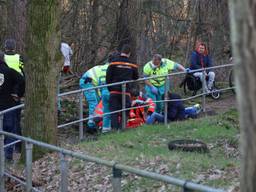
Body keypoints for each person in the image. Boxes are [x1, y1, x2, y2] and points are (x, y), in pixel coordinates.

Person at [106, 44, 139, 130]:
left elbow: (108, 77)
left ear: (121, 52)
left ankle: (114, 130)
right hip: (126, 92)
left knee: (114, 112)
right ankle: (122, 128)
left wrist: (110, 89)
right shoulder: (132, 64)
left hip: (114, 91)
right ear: (129, 53)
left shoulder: (113, 62)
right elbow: (136, 77)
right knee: (125, 111)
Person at [0, 51, 25, 161]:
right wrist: (19, 94)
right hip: (8, 105)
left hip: (6, 104)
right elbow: (22, 80)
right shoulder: (9, 71)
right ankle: (8, 156)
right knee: (9, 129)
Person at [79, 61, 111, 133]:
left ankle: (94, 121)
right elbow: (103, 88)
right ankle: (91, 125)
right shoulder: (107, 70)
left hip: (90, 82)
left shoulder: (105, 68)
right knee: (93, 102)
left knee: (97, 102)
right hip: (87, 82)